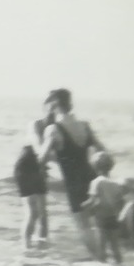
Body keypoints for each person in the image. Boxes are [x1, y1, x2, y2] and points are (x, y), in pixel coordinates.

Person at [37, 88, 103, 257]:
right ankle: (108, 259)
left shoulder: (53, 130)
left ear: (54, 105)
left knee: (84, 226)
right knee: (98, 223)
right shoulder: (85, 126)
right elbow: (103, 152)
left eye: (48, 104)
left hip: (74, 182)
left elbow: (41, 159)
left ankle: (100, 261)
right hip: (92, 177)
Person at [82, 151, 126, 264]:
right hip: (113, 218)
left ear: (95, 167)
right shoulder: (116, 184)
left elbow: (93, 201)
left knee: (101, 249)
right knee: (115, 248)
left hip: (101, 219)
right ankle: (120, 265)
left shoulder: (96, 183)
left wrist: (83, 207)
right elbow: (120, 203)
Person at [14, 115, 51, 248]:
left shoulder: (56, 128)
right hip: (25, 167)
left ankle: (42, 245)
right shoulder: (35, 124)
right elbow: (38, 147)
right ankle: (26, 246)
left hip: (39, 168)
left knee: (43, 212)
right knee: (33, 211)